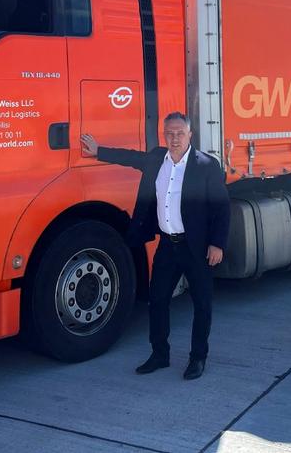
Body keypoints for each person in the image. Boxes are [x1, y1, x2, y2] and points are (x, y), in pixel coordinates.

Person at [81, 112, 230, 380]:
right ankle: (160, 354)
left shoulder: (206, 165)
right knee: (158, 301)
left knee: (202, 304)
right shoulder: (156, 159)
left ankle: (198, 358)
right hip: (167, 247)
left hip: (196, 248)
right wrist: (98, 151)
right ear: (164, 135)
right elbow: (129, 157)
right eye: (169, 134)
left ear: (190, 135)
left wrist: (217, 244)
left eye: (180, 133)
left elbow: (222, 207)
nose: (175, 139)